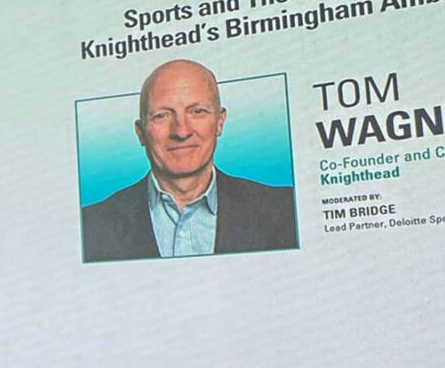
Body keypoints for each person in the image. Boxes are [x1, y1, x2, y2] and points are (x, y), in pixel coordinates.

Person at [81, 59, 297, 262]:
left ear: (219, 122)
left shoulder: (287, 210)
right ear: (140, 133)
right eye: (162, 115)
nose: (181, 131)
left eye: (197, 112)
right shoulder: (90, 227)